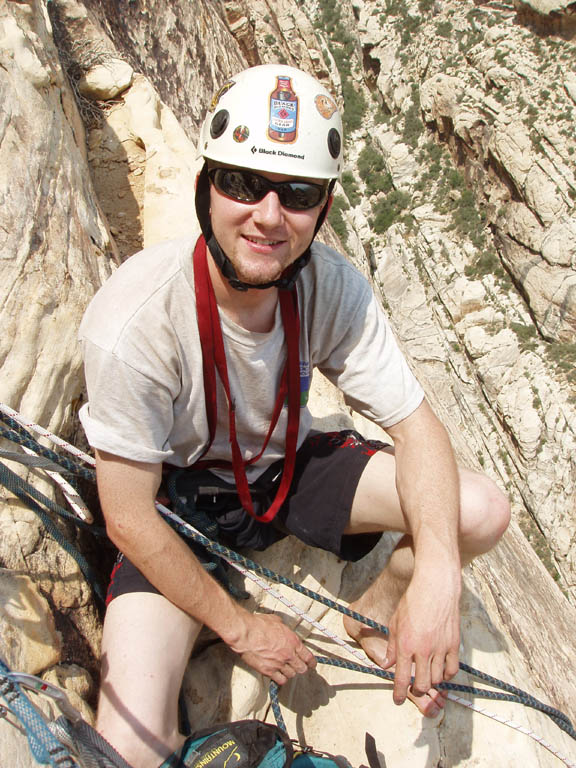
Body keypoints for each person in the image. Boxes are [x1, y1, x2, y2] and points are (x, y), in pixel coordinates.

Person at [79, 64, 510, 768]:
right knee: (128, 745)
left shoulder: (330, 288)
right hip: (178, 506)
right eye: (244, 184)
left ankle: (368, 617)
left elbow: (418, 425)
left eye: (298, 193)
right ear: (204, 188)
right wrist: (242, 628)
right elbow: (127, 515)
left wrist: (436, 572)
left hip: (283, 469)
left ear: (324, 209)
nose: (269, 216)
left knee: (479, 511)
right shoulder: (136, 322)